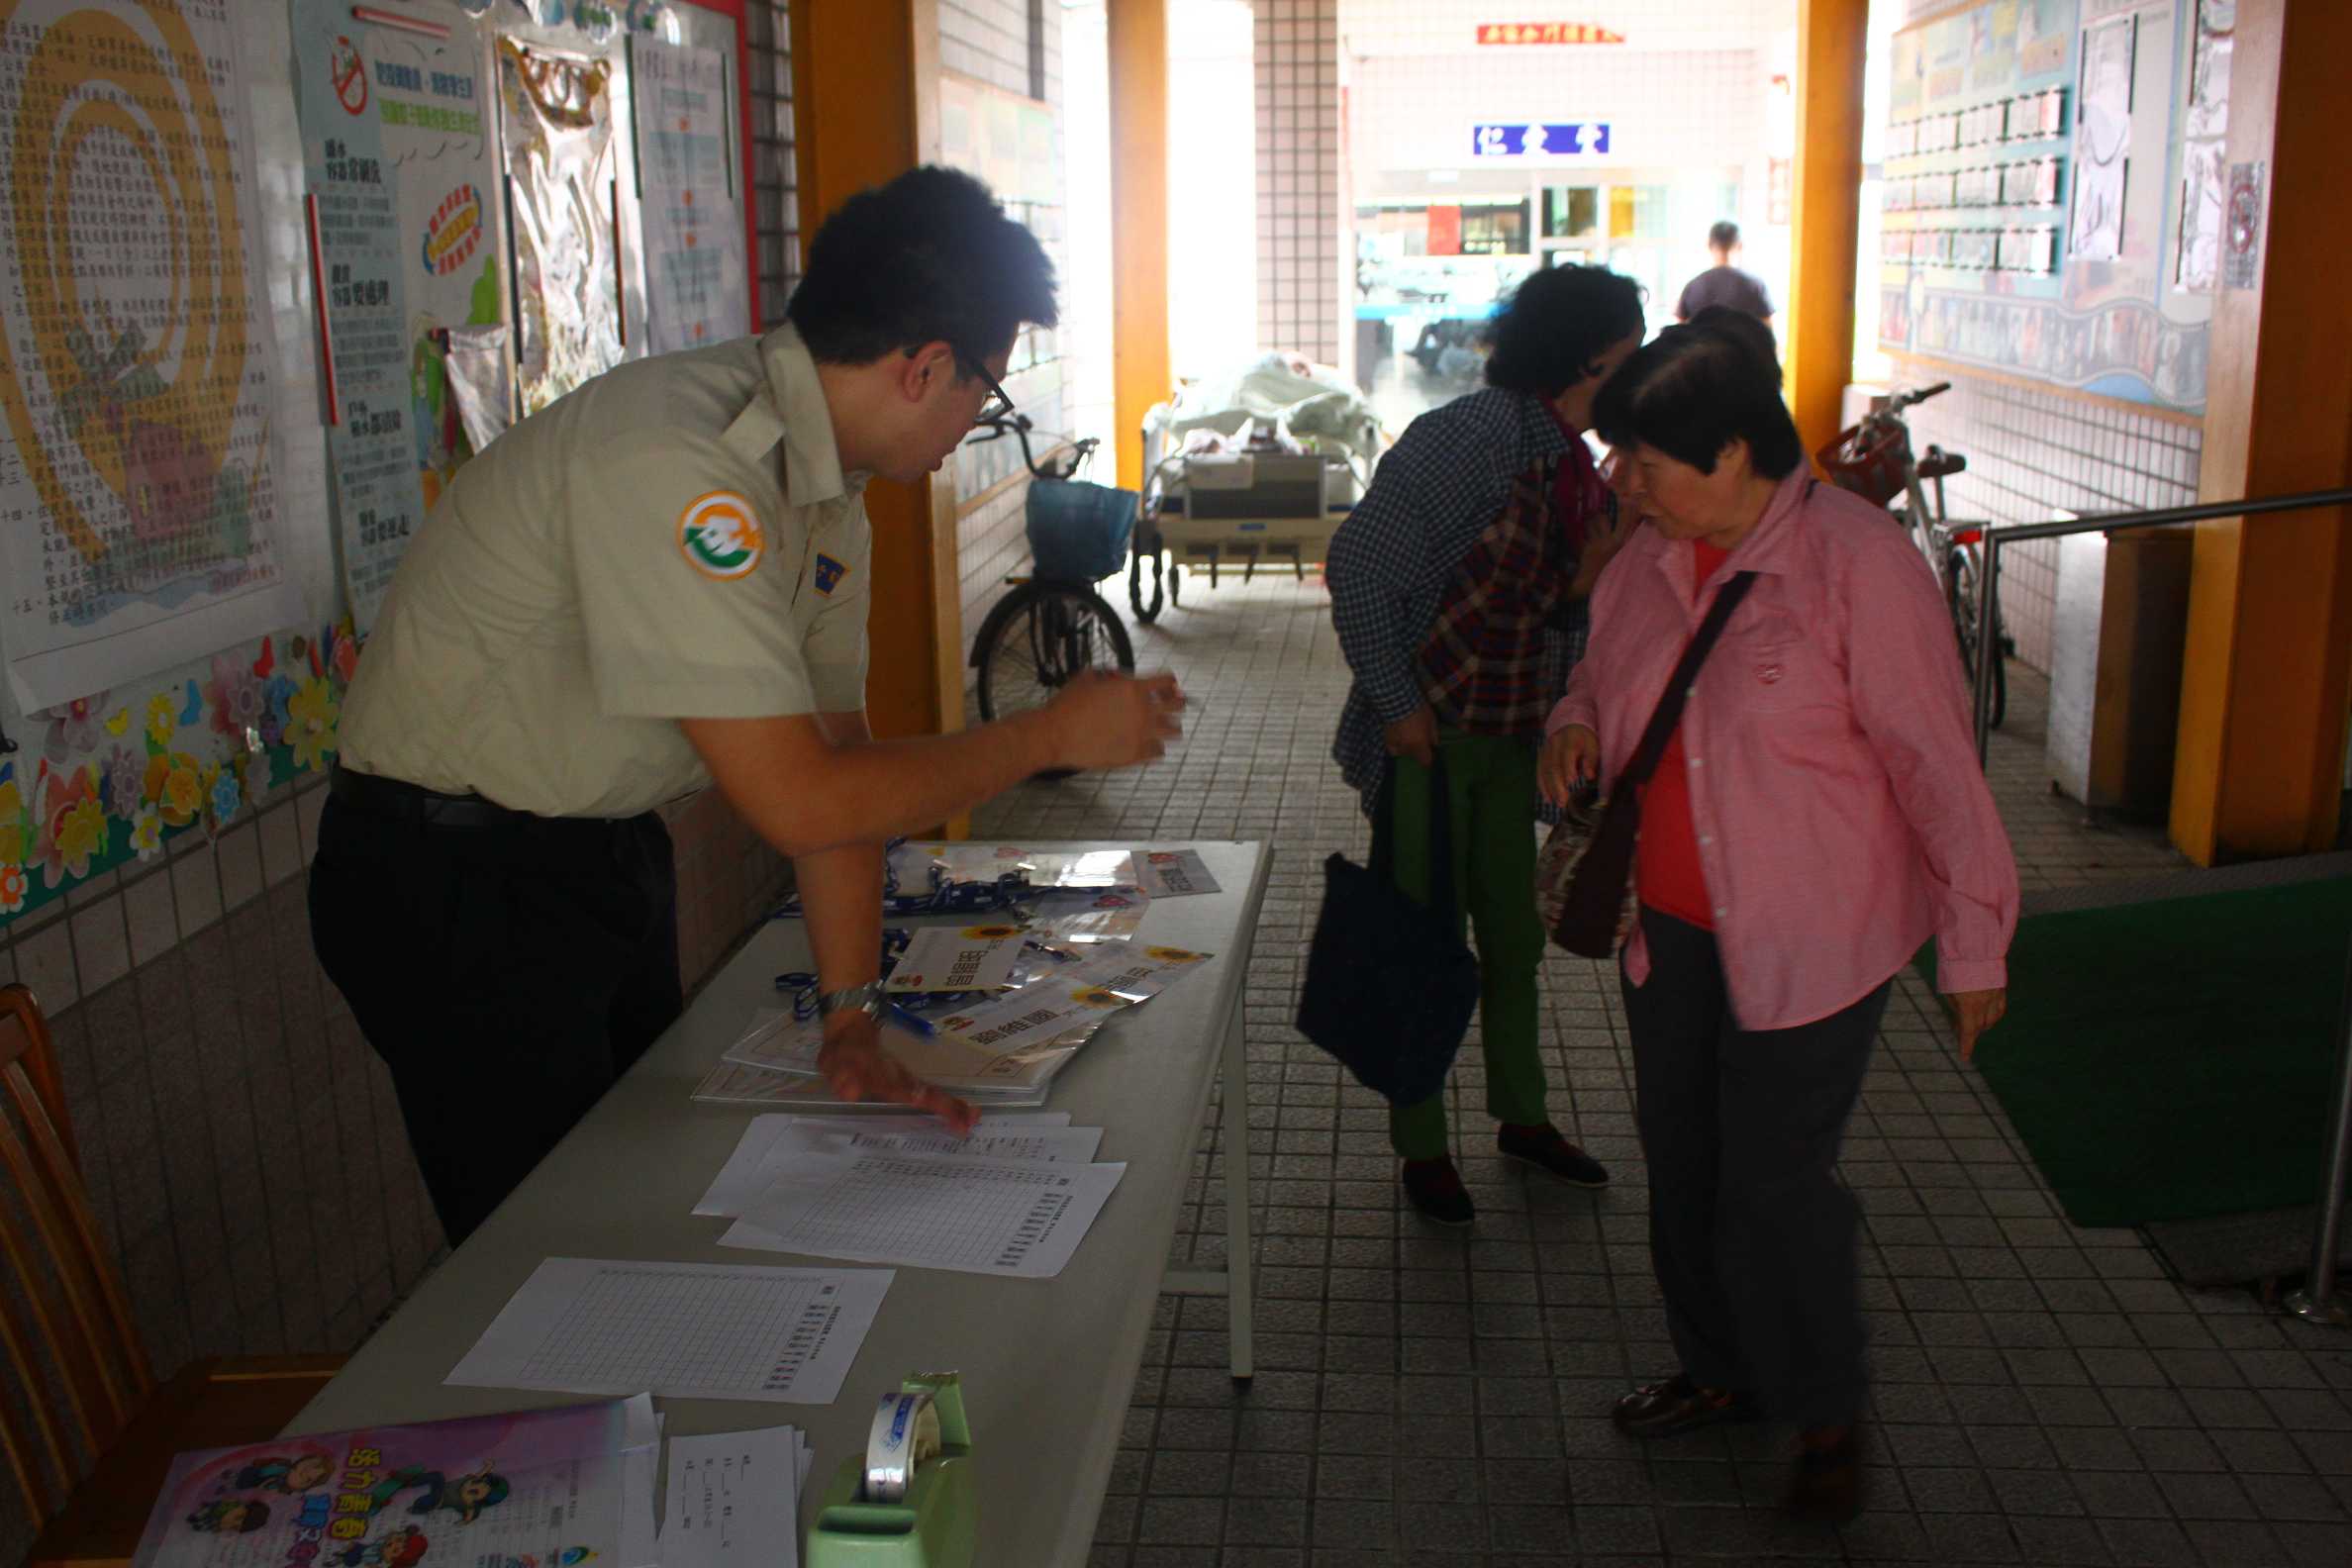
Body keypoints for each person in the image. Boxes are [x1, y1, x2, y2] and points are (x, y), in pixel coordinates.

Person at [310, 167, 1184, 1245]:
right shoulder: (689, 465)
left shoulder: (824, 493)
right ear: (926, 369)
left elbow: (843, 778)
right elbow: (805, 804)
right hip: (451, 882)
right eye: (986, 394)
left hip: (591, 855)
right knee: (543, 1251)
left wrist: (852, 1018)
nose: (979, 423)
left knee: (631, 1194)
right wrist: (1044, 735)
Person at [1539, 309, 2016, 1521]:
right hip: (1673, 934)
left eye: (1645, 461)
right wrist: (1574, 722)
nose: (1622, 482)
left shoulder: (1857, 566)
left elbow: (1936, 767)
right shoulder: (1647, 557)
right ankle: (1718, 1373)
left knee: (1775, 1185)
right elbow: (1601, 675)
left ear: (1737, 454)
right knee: (1684, 1165)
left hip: (1814, 940)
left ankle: (1821, 1410)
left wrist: (1974, 945)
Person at [1326, 263, 1646, 1227]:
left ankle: (1522, 1118)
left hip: (1512, 742)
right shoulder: (1469, 438)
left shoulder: (1573, 457)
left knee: (1513, 944)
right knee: (1424, 949)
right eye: (1627, 360)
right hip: (1431, 748)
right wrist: (1394, 706)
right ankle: (1421, 1146)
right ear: (1588, 358)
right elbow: (1358, 565)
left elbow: (1556, 606)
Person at [1675, 221, 1775, 326]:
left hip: (1701, 342)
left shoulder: (1693, 286)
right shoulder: (1755, 286)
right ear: (1740, 246)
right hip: (1741, 342)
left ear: (1709, 245)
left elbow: (1679, 332)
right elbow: (1768, 332)